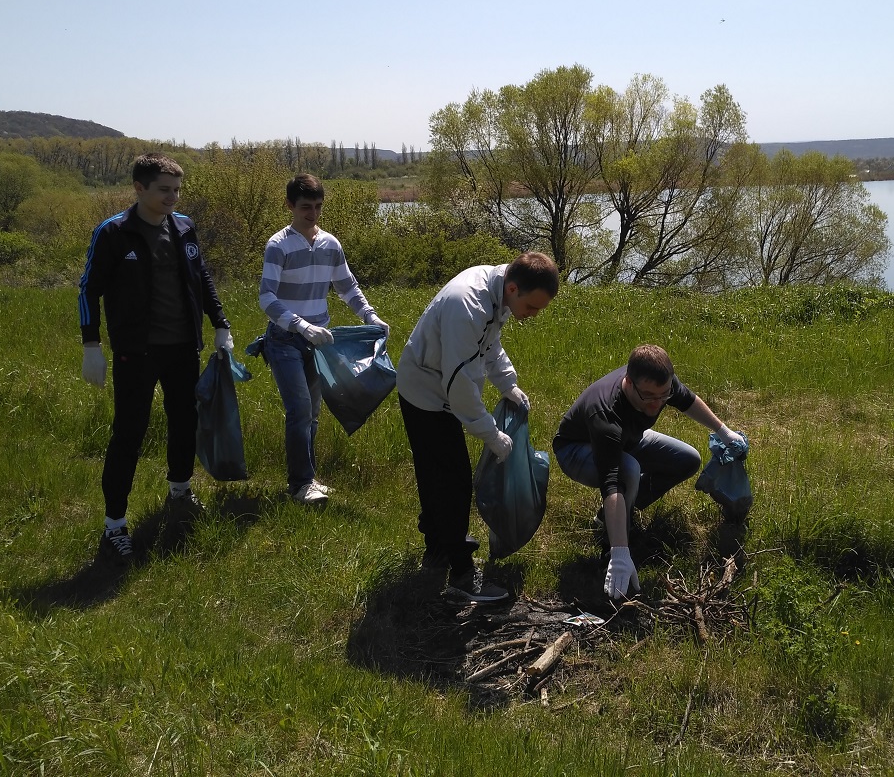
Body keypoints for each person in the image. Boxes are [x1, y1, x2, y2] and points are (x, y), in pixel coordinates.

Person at [78, 152, 234, 567]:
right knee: (129, 433)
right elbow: (87, 290)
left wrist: (220, 322)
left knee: (185, 421)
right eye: (164, 189)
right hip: (136, 353)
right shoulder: (114, 233)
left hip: (183, 348)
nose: (172, 196)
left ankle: (180, 492)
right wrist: (91, 346)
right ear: (140, 188)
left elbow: (201, 277)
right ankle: (115, 525)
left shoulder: (183, 227)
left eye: (177, 189)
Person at [396, 251, 559, 603]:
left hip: (437, 384)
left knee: (436, 474)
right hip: (426, 391)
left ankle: (437, 552)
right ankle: (461, 575)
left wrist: (508, 384)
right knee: (452, 480)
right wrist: (491, 433)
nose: (532, 316)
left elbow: (489, 345)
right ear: (514, 288)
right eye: (532, 307)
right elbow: (460, 387)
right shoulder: (467, 304)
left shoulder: (498, 291)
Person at [552, 343, 747, 600]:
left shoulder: (659, 383)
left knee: (688, 459)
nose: (657, 404)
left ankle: (615, 514)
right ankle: (615, 548)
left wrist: (725, 432)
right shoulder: (606, 415)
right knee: (628, 471)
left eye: (664, 396)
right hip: (578, 450)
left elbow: (687, 400)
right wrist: (620, 552)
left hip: (629, 440)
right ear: (629, 383)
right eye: (649, 397)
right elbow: (610, 483)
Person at [258, 173, 388, 504]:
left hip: (318, 344)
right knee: (300, 409)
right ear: (289, 205)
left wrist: (370, 316)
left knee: (312, 413)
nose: (312, 214)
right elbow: (267, 298)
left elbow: (347, 287)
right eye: (305, 207)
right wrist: (301, 325)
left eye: (317, 207)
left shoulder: (330, 244)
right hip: (285, 340)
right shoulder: (278, 245)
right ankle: (301, 484)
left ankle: (306, 480)